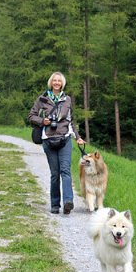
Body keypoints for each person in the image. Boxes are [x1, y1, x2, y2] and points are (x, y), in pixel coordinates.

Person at [29, 71, 84, 214]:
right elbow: (31, 116)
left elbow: (71, 120)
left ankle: (68, 202)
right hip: (48, 139)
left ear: (62, 83)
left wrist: (77, 137)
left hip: (65, 138)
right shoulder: (43, 98)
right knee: (55, 174)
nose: (57, 83)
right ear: (51, 82)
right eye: (55, 80)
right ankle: (55, 205)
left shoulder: (67, 99)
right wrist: (43, 121)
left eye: (59, 81)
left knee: (65, 171)